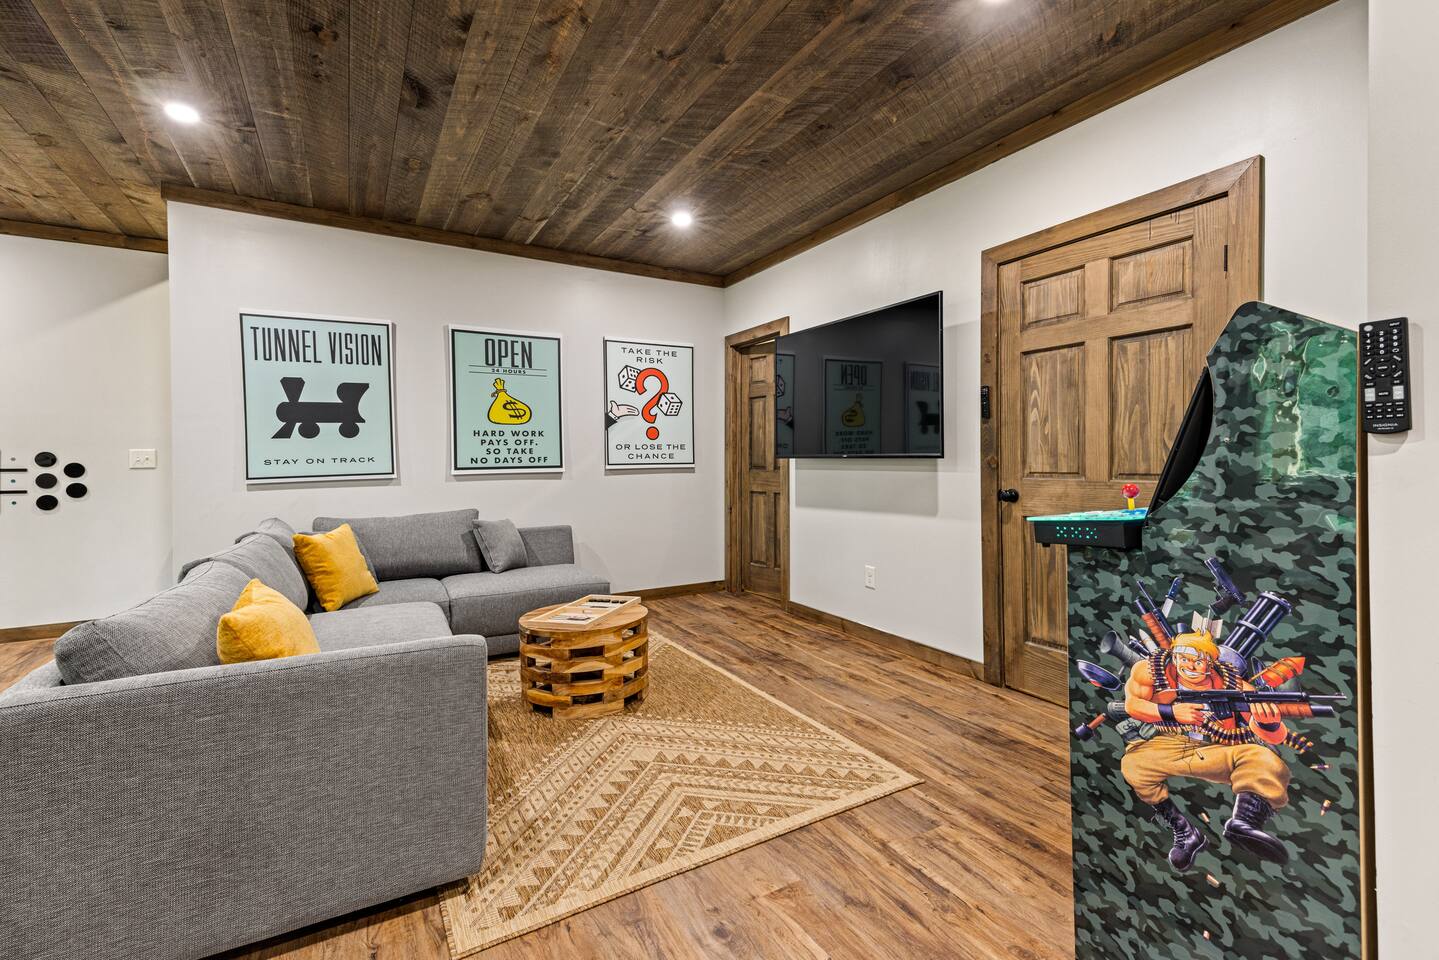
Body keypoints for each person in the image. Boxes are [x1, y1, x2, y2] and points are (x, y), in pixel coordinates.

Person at [1120, 630, 1291, 870]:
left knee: (1265, 759)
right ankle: (1184, 831)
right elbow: (1133, 705)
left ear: (1210, 663)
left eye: (1198, 661)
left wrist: (1268, 723)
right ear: (1174, 657)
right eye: (1183, 659)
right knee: (1133, 763)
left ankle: (1245, 823)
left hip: (1216, 747)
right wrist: (1172, 712)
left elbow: (1276, 736)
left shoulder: (1234, 685)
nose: (1190, 666)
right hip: (1171, 743)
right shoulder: (1151, 671)